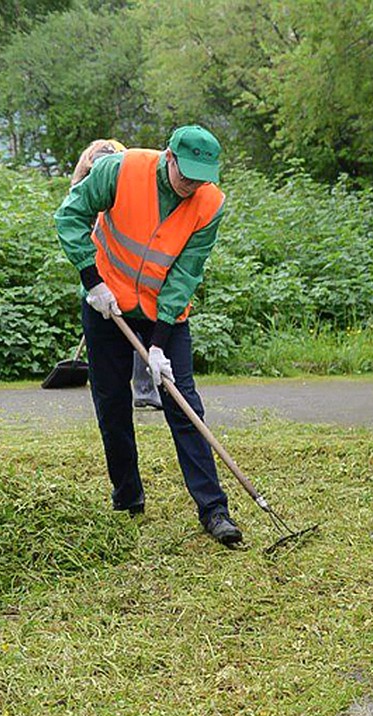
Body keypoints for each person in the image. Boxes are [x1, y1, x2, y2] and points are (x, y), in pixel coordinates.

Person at [54, 125, 242, 546]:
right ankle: (128, 498)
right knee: (112, 402)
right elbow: (70, 216)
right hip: (107, 304)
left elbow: (186, 273)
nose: (191, 186)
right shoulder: (119, 170)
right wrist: (92, 279)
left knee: (183, 403)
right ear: (169, 157)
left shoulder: (209, 204)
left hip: (164, 311)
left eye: (200, 178)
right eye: (185, 175)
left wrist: (158, 342)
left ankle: (214, 510)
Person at [70, 139, 163, 412]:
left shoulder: (124, 169)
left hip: (134, 279)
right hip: (98, 276)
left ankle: (145, 389)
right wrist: (93, 284)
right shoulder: (86, 185)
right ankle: (139, 390)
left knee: (140, 335)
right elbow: (77, 226)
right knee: (112, 352)